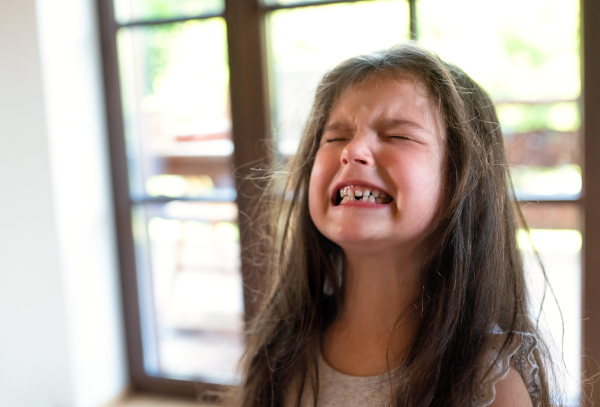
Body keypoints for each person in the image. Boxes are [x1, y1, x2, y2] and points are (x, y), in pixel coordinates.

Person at [234, 43, 557, 407]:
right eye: (336, 137)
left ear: (464, 180)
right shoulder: (281, 352)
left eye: (397, 135)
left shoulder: (488, 382)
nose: (352, 151)